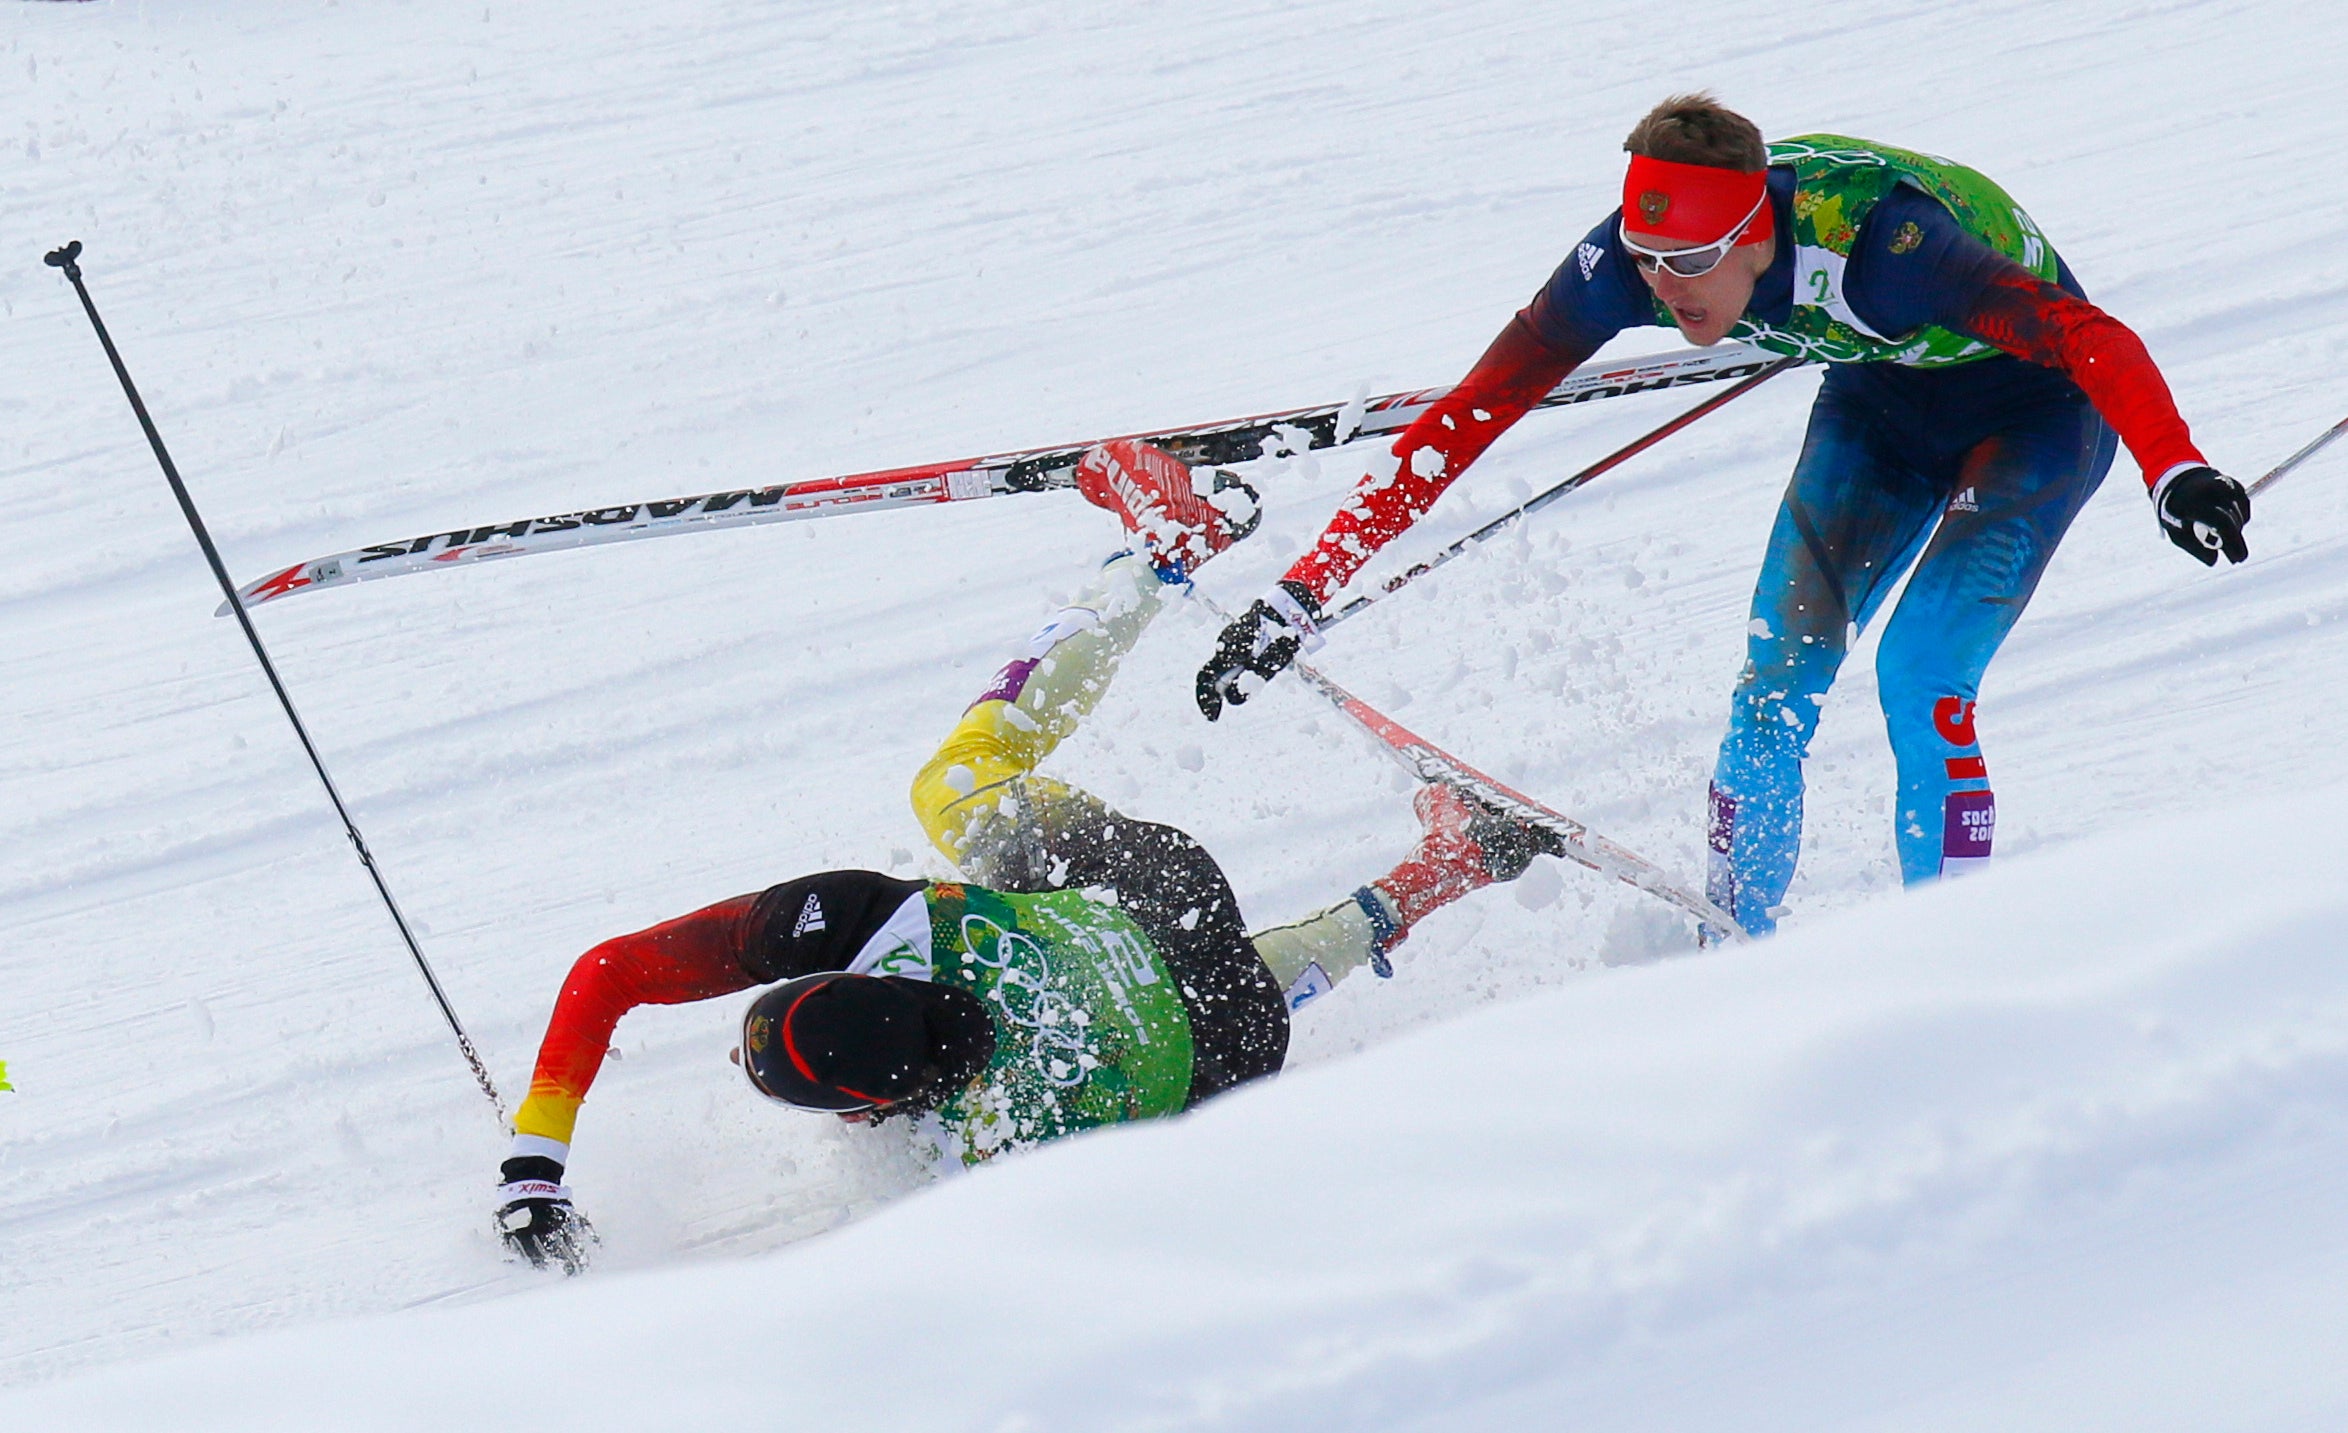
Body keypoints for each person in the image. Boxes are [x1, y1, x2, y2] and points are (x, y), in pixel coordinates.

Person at [493, 439, 1563, 1272]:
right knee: (956, 788)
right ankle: (1161, 557)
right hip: (1157, 892)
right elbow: (611, 971)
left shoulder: (975, 1168)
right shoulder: (877, 920)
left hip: (1224, 1033)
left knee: (1199, 1021)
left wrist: (546, 1169)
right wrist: (528, 1162)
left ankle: (1440, 866)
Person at [1193, 95, 2251, 937]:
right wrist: (1298, 593)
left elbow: (2084, 334)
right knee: (1770, 689)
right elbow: (1469, 413)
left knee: (1919, 672)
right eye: (1650, 265)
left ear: (1755, 238)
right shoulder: (1628, 262)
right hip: (1879, 403)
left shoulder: (1890, 245)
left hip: (2032, 409)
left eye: (1692, 267)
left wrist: (2175, 469)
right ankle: (1729, 962)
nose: (1664, 290)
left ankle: (1954, 953)